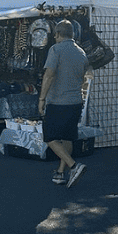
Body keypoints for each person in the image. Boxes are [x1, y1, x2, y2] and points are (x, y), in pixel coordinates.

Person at [38, 19, 93, 188]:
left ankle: (74, 166)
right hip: (75, 101)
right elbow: (86, 76)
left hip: (58, 101)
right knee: (67, 137)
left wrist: (42, 99)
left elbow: (49, 75)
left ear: (58, 34)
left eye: (55, 35)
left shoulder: (56, 50)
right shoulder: (81, 52)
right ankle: (60, 173)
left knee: (50, 137)